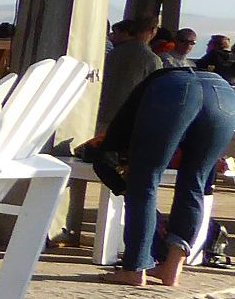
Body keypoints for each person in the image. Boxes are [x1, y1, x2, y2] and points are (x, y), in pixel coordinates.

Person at [83, 59, 235, 287]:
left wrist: (119, 161)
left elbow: (115, 139)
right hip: (224, 94)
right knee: (195, 183)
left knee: (143, 182)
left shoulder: (156, 83)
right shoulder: (169, 78)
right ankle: (171, 270)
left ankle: (135, 269)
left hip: (174, 92)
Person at [96, 19, 166, 129]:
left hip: (104, 113)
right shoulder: (152, 59)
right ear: (153, 31)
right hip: (131, 118)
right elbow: (157, 92)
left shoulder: (114, 53)